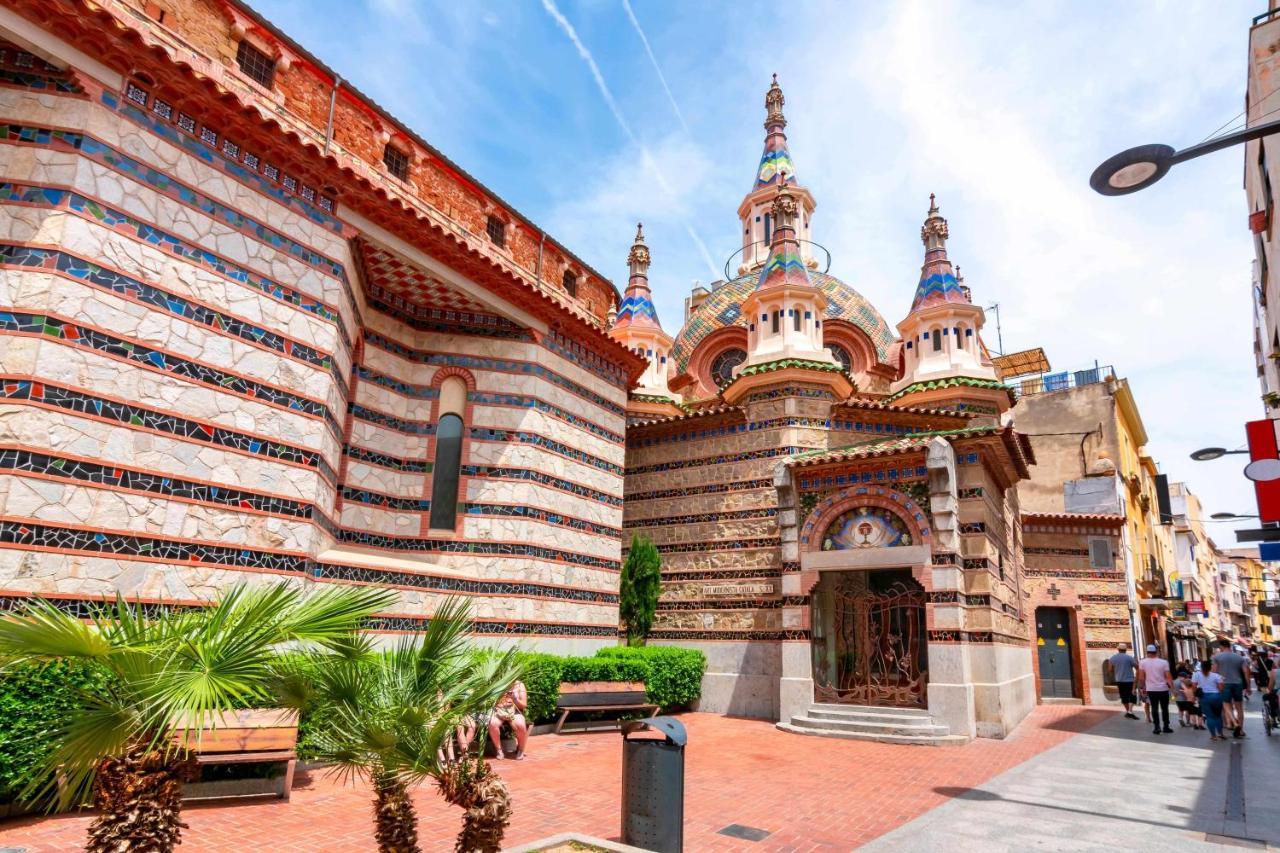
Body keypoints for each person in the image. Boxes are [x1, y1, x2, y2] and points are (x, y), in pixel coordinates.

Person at [1212, 639, 1250, 738]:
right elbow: (1246, 672)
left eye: (1219, 647)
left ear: (1222, 646)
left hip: (1224, 683)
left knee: (1226, 704)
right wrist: (1248, 686)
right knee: (1239, 707)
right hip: (1238, 683)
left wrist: (1215, 685)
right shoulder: (1240, 658)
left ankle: (1234, 723)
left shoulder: (1217, 657)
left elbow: (1214, 672)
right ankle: (1241, 730)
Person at [485, 679, 528, 760]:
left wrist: (515, 699)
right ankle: (499, 750)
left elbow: (524, 705)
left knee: (520, 725)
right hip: (500, 711)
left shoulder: (519, 685)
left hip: (515, 711)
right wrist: (500, 701)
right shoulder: (498, 682)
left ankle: (520, 750)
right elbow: (490, 701)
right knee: (492, 723)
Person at [1138, 644, 1174, 735]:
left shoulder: (1142, 662)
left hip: (1151, 689)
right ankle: (1166, 726)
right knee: (1165, 708)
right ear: (1156, 652)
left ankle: (1157, 727)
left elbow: (1141, 678)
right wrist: (1173, 689)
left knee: (1154, 708)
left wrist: (1142, 687)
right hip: (1163, 689)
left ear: (1147, 652)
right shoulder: (1164, 662)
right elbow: (1168, 677)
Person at [1194, 660, 1227, 741]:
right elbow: (1221, 688)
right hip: (1216, 696)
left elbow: (1194, 687)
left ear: (1201, 667)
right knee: (1218, 716)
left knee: (1209, 717)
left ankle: (1213, 736)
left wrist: (1195, 696)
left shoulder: (1196, 675)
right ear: (1210, 667)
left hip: (1204, 697)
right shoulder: (1216, 676)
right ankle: (1220, 733)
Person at [1107, 643, 1139, 719]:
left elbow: (1110, 670)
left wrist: (1117, 669)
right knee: (1132, 696)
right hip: (1130, 680)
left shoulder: (1113, 658)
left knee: (1123, 696)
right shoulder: (1129, 658)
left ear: (1118, 649)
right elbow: (1137, 667)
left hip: (1119, 680)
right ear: (1125, 650)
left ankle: (1128, 711)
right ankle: (1130, 711)